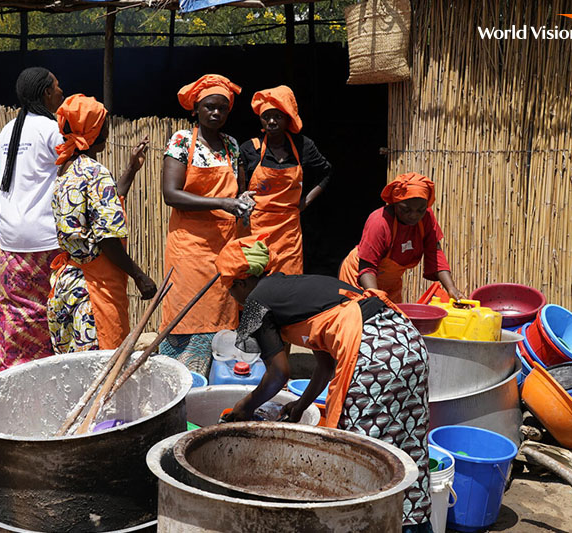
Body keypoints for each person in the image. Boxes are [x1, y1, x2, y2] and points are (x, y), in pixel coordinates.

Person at [216, 235, 431, 531]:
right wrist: (301, 405)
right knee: (406, 445)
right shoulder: (295, 287)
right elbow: (326, 364)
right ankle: (416, 523)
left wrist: (245, 406)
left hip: (372, 355)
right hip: (407, 340)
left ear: (239, 283)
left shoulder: (257, 301)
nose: (234, 298)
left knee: (361, 457)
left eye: (230, 291)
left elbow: (279, 374)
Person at [47, 94, 157, 353]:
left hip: (68, 284)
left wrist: (131, 168)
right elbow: (107, 239)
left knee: (73, 369)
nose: (108, 129)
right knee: (101, 370)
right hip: (94, 292)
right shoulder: (96, 172)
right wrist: (139, 276)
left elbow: (105, 202)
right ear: (93, 130)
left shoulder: (67, 169)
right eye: (104, 124)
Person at [159, 74, 251, 375]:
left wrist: (242, 200)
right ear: (196, 109)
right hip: (189, 247)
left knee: (221, 314)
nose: (216, 113)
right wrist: (222, 203)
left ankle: (212, 383)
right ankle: (181, 379)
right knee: (185, 311)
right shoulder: (182, 142)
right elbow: (171, 194)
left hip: (223, 246)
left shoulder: (232, 146)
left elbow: (236, 192)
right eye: (210, 107)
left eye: (222, 109)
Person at [0, 67, 65, 371]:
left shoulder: (7, 130)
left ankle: (12, 370)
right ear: (46, 93)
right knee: (48, 307)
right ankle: (44, 371)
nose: (62, 93)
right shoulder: (52, 130)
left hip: (11, 236)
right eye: (58, 87)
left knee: (16, 309)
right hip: (45, 235)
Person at [239, 85, 331, 275]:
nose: (271, 122)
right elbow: (239, 188)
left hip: (289, 231)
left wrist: (306, 201)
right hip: (256, 228)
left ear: (288, 118)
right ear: (260, 119)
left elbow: (326, 171)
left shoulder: (303, 146)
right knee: (257, 280)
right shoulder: (250, 149)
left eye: (278, 117)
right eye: (266, 117)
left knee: (288, 283)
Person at [339, 172, 464, 303]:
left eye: (420, 210)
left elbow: (434, 251)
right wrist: (375, 300)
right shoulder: (379, 222)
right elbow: (367, 267)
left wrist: (451, 288)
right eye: (406, 210)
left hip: (390, 284)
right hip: (361, 278)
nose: (414, 215)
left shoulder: (426, 218)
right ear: (395, 204)